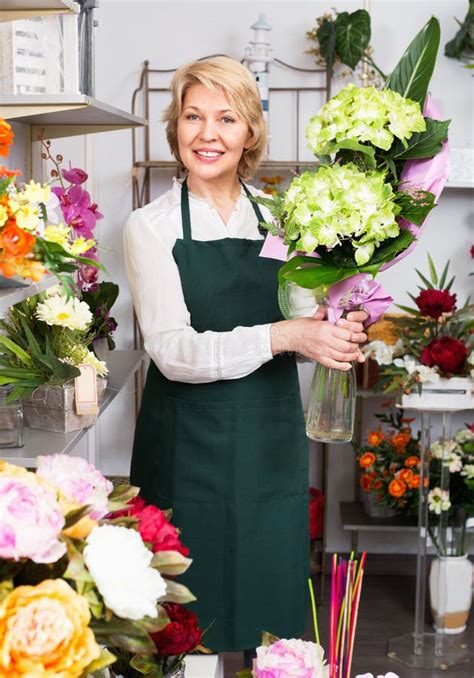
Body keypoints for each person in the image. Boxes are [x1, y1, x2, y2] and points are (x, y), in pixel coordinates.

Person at [123, 56, 368, 664]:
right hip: (185, 450)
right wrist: (284, 337)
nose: (208, 134)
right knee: (183, 629)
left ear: (250, 132)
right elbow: (173, 351)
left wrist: (336, 328)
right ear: (174, 127)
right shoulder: (149, 226)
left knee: (270, 624)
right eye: (193, 116)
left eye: (227, 118)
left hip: (268, 446)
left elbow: (307, 320)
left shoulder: (286, 221)